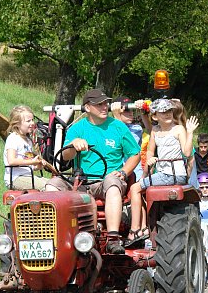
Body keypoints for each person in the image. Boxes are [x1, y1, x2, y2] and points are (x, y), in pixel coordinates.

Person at [45, 89, 140, 254]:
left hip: (106, 181)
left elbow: (135, 154)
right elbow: (65, 156)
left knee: (112, 184)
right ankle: (53, 236)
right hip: (81, 181)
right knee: (52, 184)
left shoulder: (118, 127)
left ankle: (113, 238)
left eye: (105, 103)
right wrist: (73, 145)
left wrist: (124, 172)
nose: (104, 107)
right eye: (99, 104)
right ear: (87, 108)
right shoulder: (77, 128)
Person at [127, 98, 199, 245]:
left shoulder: (178, 129)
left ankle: (135, 230)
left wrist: (190, 132)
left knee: (134, 188)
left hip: (173, 174)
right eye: (163, 112)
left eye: (169, 111)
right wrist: (150, 160)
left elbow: (187, 153)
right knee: (140, 189)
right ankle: (145, 226)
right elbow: (150, 151)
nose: (167, 114)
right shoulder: (155, 130)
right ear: (155, 116)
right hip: (162, 174)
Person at [3, 105, 47, 191]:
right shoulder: (13, 138)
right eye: (28, 121)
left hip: (27, 176)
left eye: (32, 120)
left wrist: (38, 166)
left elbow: (27, 163)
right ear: (17, 124)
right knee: (48, 187)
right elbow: (11, 161)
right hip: (15, 178)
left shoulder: (28, 140)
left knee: (54, 184)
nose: (32, 123)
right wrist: (32, 161)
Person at [111, 96, 152, 182]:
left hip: (135, 174)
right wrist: (117, 118)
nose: (131, 113)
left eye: (132, 110)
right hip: (115, 173)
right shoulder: (108, 129)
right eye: (126, 110)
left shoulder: (136, 129)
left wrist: (143, 111)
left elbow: (152, 132)